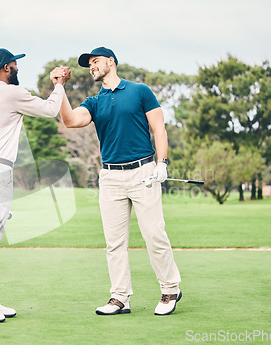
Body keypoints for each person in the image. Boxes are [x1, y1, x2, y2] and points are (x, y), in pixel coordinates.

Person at [59, 47, 182, 316]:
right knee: (114, 243)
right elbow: (69, 121)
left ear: (111, 62)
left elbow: (158, 127)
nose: (91, 66)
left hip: (143, 172)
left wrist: (162, 162)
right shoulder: (94, 102)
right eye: (88, 64)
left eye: (95, 61)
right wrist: (59, 88)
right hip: (111, 176)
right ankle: (120, 297)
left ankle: (170, 289)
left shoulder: (139, 91)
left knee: (154, 234)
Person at [0, 48, 70, 323]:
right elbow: (50, 109)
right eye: (15, 64)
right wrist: (58, 84)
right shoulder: (12, 93)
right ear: (6, 68)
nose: (18, 68)